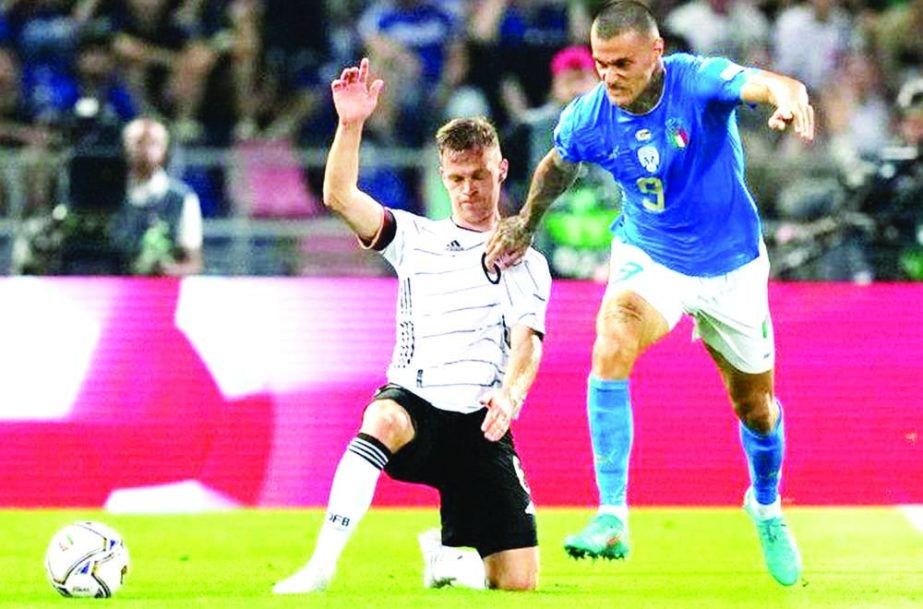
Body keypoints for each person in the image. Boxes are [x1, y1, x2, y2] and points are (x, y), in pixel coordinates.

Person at [485, 0, 814, 587]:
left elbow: (762, 83)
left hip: (731, 266)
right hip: (650, 256)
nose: (609, 75)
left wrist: (788, 93)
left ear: (656, 53)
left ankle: (765, 507)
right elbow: (559, 165)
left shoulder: (696, 80)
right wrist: (525, 223)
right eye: (601, 63)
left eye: (622, 63)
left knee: (756, 409)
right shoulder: (589, 115)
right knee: (611, 338)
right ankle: (612, 514)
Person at [272, 58, 551, 594]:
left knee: (517, 583)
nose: (469, 189)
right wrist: (350, 124)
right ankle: (322, 564)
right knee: (382, 415)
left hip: (481, 423)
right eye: (458, 178)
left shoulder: (525, 260)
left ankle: (449, 562)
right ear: (443, 176)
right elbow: (339, 197)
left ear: (502, 170)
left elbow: (527, 342)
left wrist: (511, 397)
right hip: (416, 404)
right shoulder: (415, 236)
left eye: (479, 176)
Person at [110, 117, 204, 275]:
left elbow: (194, 263)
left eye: (153, 143)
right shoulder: (109, 193)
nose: (144, 149)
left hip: (159, 290)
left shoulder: (181, 197)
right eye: (138, 142)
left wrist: (168, 270)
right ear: (124, 147)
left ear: (165, 150)